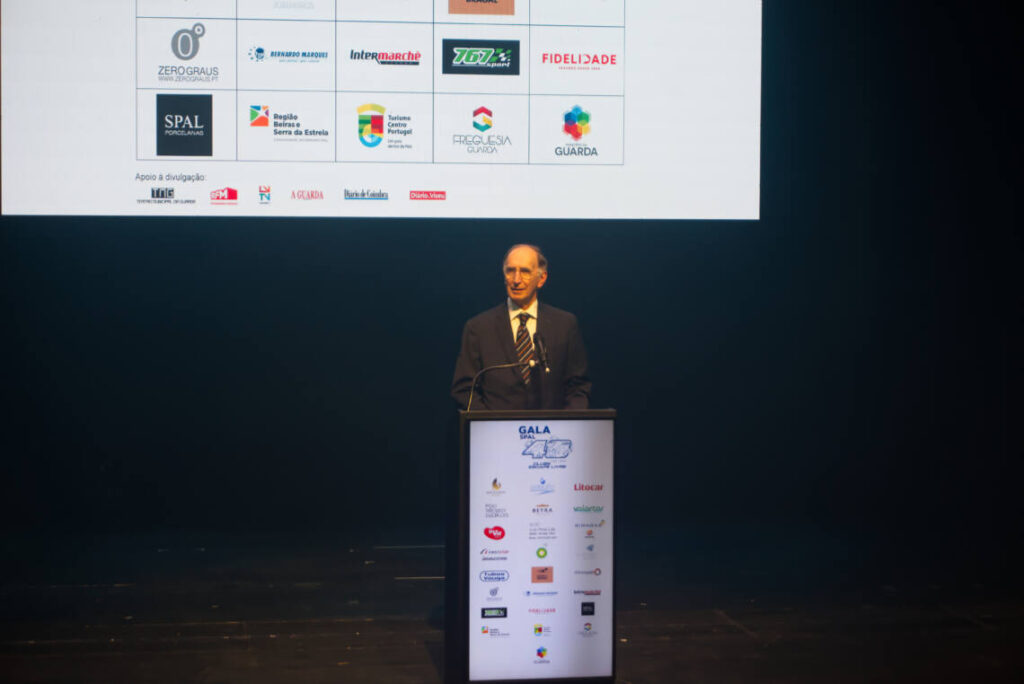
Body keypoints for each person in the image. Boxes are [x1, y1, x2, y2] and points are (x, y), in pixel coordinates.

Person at [451, 244, 591, 410]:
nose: (516, 280)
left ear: (542, 278)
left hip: (551, 426)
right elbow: (465, 390)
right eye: (510, 271)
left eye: (525, 271)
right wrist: (491, 422)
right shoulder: (479, 328)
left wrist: (568, 421)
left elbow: (578, 387)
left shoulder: (565, 325)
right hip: (496, 425)